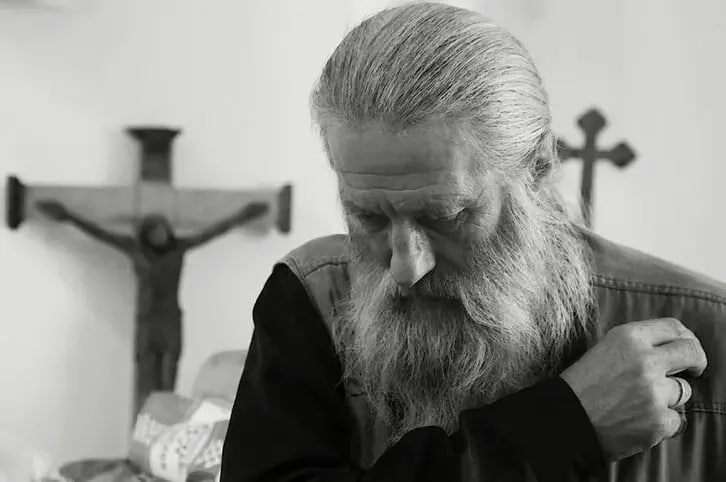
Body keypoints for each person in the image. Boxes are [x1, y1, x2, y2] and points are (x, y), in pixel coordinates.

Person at [220, 3, 725, 481]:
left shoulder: (706, 327)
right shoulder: (313, 297)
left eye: (446, 217)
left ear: (538, 171)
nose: (406, 267)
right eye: (368, 216)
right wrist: (562, 429)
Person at [36, 199, 268, 415]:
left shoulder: (179, 248)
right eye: (155, 232)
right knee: (145, 384)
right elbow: (100, 234)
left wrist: (241, 217)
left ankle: (163, 433)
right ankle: (143, 433)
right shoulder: (135, 249)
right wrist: (68, 217)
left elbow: (212, 232)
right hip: (147, 323)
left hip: (170, 322)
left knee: (168, 385)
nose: (161, 236)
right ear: (146, 235)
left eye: (163, 230)